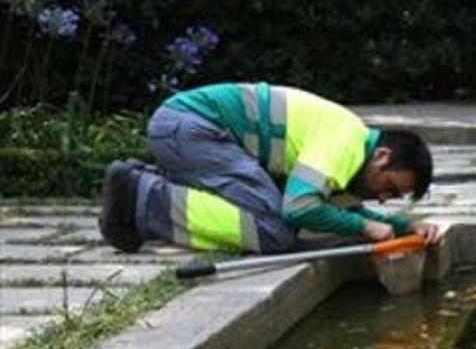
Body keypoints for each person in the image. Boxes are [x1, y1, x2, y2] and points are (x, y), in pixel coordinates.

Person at [98, 82, 441, 254]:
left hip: (188, 130)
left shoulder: (351, 148)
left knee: (276, 220)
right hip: (191, 128)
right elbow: (299, 207)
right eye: (390, 187)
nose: (384, 198)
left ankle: (146, 188)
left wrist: (405, 227)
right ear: (381, 156)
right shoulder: (344, 141)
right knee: (275, 232)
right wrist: (366, 227)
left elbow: (344, 210)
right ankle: (142, 198)